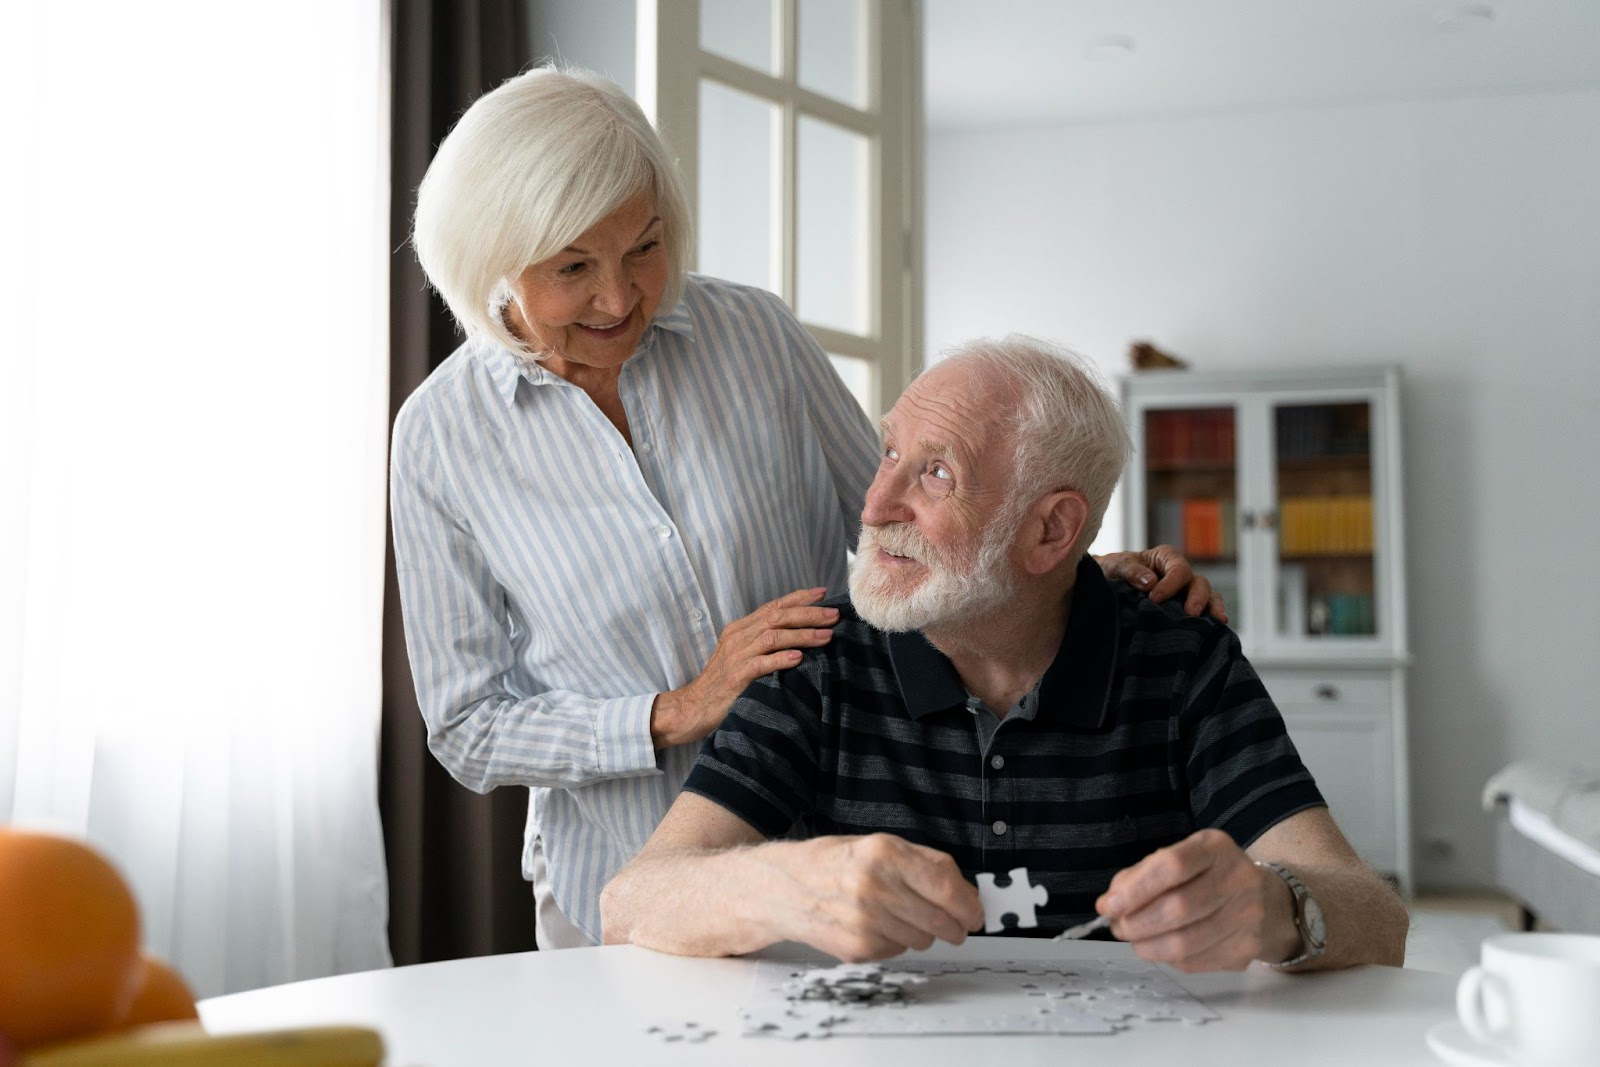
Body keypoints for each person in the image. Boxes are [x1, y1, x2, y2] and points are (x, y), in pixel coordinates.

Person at [392, 65, 1220, 948]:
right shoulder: (440, 437)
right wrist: (676, 708)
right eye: (573, 268)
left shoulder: (755, 336)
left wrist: (1063, 572)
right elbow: (468, 726)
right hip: (619, 882)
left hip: (833, 863)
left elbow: (910, 525)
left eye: (644, 246)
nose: (621, 295)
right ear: (491, 260)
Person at [601, 336, 1409, 972]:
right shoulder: (818, 654)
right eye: (889, 452)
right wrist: (784, 885)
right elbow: (629, 904)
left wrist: (1274, 908)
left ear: (1052, 530)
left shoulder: (1183, 656)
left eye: (936, 473)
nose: (875, 504)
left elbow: (1378, 918)